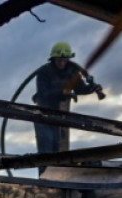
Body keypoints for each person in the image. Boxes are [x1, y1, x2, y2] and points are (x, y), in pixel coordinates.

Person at [32, 41, 104, 171]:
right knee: (46, 150)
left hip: (60, 117)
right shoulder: (44, 72)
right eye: (59, 60)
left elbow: (80, 89)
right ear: (53, 59)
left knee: (59, 150)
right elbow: (43, 94)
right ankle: (45, 180)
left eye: (64, 60)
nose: (61, 63)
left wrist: (91, 88)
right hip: (43, 114)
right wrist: (64, 93)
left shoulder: (72, 71)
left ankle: (58, 179)